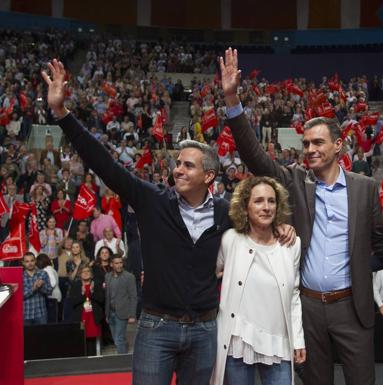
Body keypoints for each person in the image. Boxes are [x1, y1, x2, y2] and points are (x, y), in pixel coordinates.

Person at [43, 58, 294, 385]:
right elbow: (104, 163)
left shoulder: (225, 212)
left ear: (208, 176)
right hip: (156, 328)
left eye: (188, 166)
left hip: (205, 331)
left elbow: (265, 213)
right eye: (177, 163)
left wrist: (281, 227)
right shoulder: (151, 199)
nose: (177, 169)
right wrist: (62, 115)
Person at [220, 48, 383, 385]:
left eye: (318, 142)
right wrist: (232, 99)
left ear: (339, 146)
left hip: (352, 307)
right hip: (308, 308)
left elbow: (380, 243)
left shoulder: (364, 188)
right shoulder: (295, 180)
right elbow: (256, 158)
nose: (310, 149)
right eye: (305, 144)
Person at [212, 176, 305, 385]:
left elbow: (294, 295)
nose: (266, 207)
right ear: (245, 207)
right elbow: (210, 274)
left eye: (271, 201)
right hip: (238, 339)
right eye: (259, 201)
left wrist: (298, 339)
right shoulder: (230, 239)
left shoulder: (292, 245)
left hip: (278, 341)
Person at [68, 265, 105, 355]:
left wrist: (92, 292)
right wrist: (82, 293)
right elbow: (73, 302)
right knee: (82, 339)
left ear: (91, 274)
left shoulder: (97, 284)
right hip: (82, 317)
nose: (86, 273)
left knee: (93, 339)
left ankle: (95, 358)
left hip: (94, 317)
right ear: (80, 274)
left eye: (88, 271)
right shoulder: (76, 285)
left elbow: (102, 299)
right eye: (83, 272)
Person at [105, 255, 137, 354]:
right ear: (111, 264)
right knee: (117, 339)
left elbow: (133, 297)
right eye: (116, 263)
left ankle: (122, 360)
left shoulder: (129, 277)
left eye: (120, 263)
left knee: (119, 339)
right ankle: (124, 349)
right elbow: (108, 296)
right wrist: (107, 314)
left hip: (122, 312)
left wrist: (132, 315)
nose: (119, 265)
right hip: (111, 312)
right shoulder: (107, 276)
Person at [23, 252, 52, 325]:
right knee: (27, 336)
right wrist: (34, 288)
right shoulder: (20, 276)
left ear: (35, 261)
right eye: (27, 261)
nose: (30, 263)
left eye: (32, 260)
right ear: (23, 263)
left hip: (40, 314)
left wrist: (41, 287)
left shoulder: (43, 273)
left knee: (42, 336)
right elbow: (21, 296)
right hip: (26, 314)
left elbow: (49, 291)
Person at [36, 253, 62, 324]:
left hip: (52, 297)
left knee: (52, 320)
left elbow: (52, 283)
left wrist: (42, 285)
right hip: (55, 296)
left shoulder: (47, 270)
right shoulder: (50, 268)